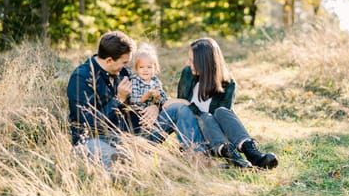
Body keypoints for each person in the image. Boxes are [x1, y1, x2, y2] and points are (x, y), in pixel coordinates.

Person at [67, 31, 205, 170]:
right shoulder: (81, 78)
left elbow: (145, 93)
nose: (127, 66)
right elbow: (88, 124)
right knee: (118, 161)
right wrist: (118, 99)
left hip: (136, 135)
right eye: (124, 62)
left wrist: (155, 106)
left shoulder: (122, 72)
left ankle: (199, 158)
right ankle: (131, 163)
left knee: (179, 110)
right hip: (99, 140)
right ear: (109, 60)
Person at [161, 38, 278, 169]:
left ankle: (253, 153)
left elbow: (222, 122)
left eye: (192, 61)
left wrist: (186, 103)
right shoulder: (187, 73)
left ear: (204, 64)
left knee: (222, 111)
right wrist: (182, 103)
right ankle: (234, 157)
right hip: (197, 141)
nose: (187, 63)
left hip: (217, 137)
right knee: (205, 116)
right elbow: (183, 114)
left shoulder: (228, 83)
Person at [127, 43, 169, 134]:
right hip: (137, 116)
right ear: (136, 68)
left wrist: (158, 97)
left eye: (149, 67)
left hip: (152, 116)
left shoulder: (156, 81)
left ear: (155, 68)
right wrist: (147, 95)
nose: (145, 70)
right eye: (141, 67)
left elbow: (164, 100)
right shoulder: (135, 80)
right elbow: (133, 99)